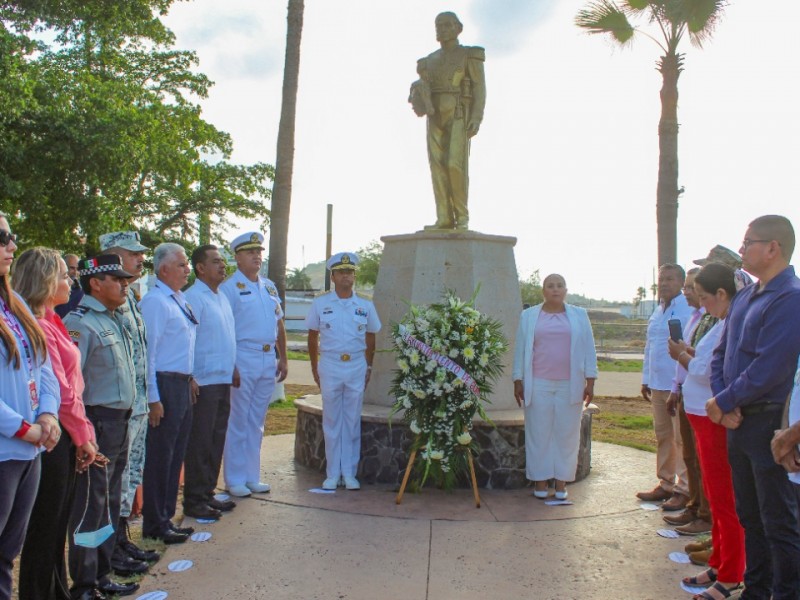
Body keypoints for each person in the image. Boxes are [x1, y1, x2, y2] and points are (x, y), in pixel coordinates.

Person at [708, 215, 800, 599]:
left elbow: (769, 366)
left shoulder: (790, 298)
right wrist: (721, 403)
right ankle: (756, 589)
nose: (741, 249)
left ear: (773, 248)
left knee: (778, 520)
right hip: (738, 422)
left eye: (748, 243)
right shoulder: (746, 295)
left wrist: (724, 401)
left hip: (767, 424)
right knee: (750, 515)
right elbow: (720, 355)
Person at [14, 248, 97, 600]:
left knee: (56, 523)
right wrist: (83, 437)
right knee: (45, 528)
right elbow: (62, 393)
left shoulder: (51, 318)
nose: (71, 280)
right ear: (47, 280)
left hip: (64, 432)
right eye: (64, 275)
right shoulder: (38, 324)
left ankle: (55, 590)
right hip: (53, 435)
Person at [63, 254, 140, 599]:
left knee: (108, 501)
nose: (125, 285)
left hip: (119, 422)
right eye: (117, 279)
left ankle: (104, 573)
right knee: (90, 507)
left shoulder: (113, 318)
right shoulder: (82, 323)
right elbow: (70, 384)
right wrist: (84, 433)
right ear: (96, 282)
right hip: (96, 423)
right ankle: (85, 583)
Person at [668, 263, 745, 599]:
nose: (700, 303)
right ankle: (719, 562)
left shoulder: (731, 324)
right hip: (702, 416)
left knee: (726, 501)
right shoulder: (721, 322)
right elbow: (705, 358)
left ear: (722, 294)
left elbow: (703, 369)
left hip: (713, 419)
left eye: (703, 297)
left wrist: (682, 355)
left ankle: (730, 573)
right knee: (718, 496)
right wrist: (690, 353)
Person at [0, 215, 61, 600]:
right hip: (9, 448)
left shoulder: (15, 303)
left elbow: (45, 368)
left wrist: (48, 414)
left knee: (7, 554)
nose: (11, 244)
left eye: (11, 236)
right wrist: (23, 428)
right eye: (2, 237)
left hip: (29, 450)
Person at [99, 230, 159, 568]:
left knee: (130, 478)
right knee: (113, 485)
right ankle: (109, 552)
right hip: (116, 411)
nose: (139, 259)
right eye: (132, 253)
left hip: (136, 407)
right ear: (111, 254)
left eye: (140, 254)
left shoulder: (131, 298)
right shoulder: (104, 302)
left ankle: (122, 541)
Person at [512, 274, 597, 500]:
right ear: (543, 291)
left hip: (570, 384)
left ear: (566, 290)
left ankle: (561, 483)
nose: (555, 289)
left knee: (566, 434)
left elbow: (589, 348)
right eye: (550, 286)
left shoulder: (579, 315)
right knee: (538, 433)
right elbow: (520, 349)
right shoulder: (529, 316)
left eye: (559, 285)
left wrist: (590, 381)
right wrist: (517, 379)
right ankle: (540, 481)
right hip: (537, 383)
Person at [220, 232, 288, 498]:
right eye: (250, 252)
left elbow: (278, 322)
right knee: (238, 420)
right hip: (243, 356)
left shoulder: (269, 286)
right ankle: (234, 478)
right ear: (237, 257)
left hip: (266, 358)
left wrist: (282, 357)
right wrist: (231, 364)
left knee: (257, 421)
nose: (257, 256)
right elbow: (224, 330)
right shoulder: (229, 288)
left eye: (259, 251)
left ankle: (251, 476)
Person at [305, 252, 381, 490]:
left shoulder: (365, 304)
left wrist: (368, 366)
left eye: (350, 272)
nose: (346, 276)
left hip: (356, 364)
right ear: (333, 276)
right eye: (342, 272)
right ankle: (331, 472)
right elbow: (312, 335)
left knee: (351, 420)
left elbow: (371, 336)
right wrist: (315, 367)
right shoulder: (321, 303)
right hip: (330, 364)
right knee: (331, 419)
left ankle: (349, 473)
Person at [140, 243, 198, 544]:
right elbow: (149, 354)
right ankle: (155, 522)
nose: (187, 269)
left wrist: (190, 378)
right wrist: (153, 398)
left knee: (176, 455)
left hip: (181, 383)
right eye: (182, 264)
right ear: (163, 269)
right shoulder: (155, 302)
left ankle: (166, 515)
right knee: (161, 456)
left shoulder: (178, 299)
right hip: (163, 384)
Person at [410, 11, 486, 230]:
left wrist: (477, 116)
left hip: (459, 110)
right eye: (438, 26)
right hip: (434, 114)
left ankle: (461, 216)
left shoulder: (469, 55)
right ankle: (443, 216)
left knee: (455, 164)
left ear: (458, 28)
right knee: (437, 166)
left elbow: (480, 87)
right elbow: (422, 85)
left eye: (446, 25)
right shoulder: (428, 61)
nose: (441, 30)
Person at [183, 245, 237, 519]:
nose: (222, 265)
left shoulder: (221, 297)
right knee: (200, 443)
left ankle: (207, 493)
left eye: (223, 261)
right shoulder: (194, 298)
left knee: (216, 440)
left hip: (222, 379)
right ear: (200, 268)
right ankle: (194, 500)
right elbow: (187, 342)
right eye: (216, 262)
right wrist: (191, 376)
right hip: (202, 383)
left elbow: (226, 338)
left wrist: (233, 367)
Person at [636, 263, 694, 511]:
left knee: (681, 438)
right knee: (663, 437)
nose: (664, 284)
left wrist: (678, 385)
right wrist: (645, 378)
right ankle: (666, 483)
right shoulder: (657, 311)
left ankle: (685, 489)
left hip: (677, 384)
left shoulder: (688, 308)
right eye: (661, 280)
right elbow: (651, 347)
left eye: (670, 279)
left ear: (681, 282)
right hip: (657, 384)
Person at [663, 268, 712, 536]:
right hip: (688, 395)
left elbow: (704, 366)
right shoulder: (696, 318)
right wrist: (676, 387)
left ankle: (706, 515)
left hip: (705, 401)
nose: (689, 292)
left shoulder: (713, 320)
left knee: (703, 461)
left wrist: (682, 355)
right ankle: (695, 507)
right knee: (691, 457)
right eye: (689, 287)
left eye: (693, 287)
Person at [55, 253, 83, 318]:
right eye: (72, 268)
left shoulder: (83, 291)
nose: (75, 272)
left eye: (78, 269)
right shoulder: (54, 290)